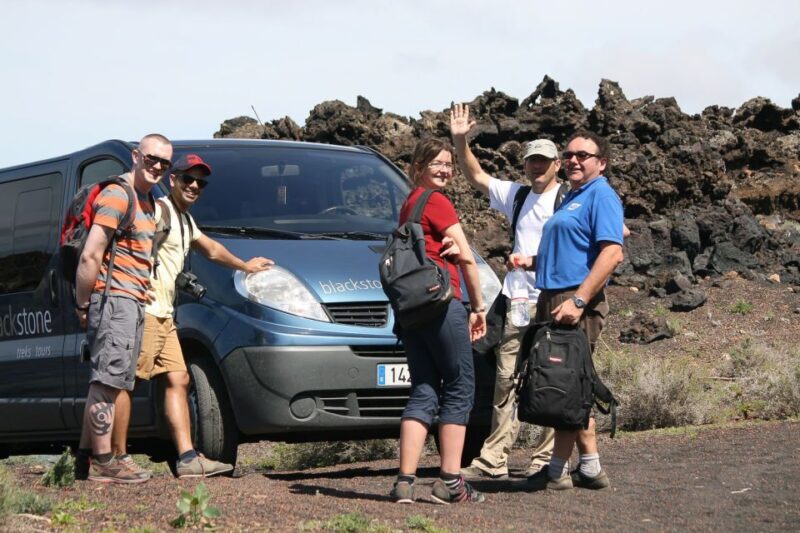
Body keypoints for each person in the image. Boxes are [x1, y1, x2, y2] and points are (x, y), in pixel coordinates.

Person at [110, 153, 274, 478]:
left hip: (164, 314)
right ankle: (112, 458)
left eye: (201, 182)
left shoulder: (184, 220)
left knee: (178, 378)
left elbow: (211, 249)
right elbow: (126, 244)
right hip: (145, 312)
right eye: (188, 178)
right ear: (173, 180)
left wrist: (245, 266)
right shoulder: (159, 211)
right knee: (125, 383)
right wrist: (129, 287)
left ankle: (187, 458)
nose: (195, 186)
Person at [449, 103, 557, 479]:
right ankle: (494, 458)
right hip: (517, 301)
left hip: (553, 300)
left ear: (557, 165)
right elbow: (476, 176)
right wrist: (460, 141)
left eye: (544, 161)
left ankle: (545, 459)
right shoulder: (519, 196)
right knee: (506, 379)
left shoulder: (569, 200)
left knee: (552, 377)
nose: (537, 166)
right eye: (532, 161)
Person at [518, 130, 625, 491]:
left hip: (574, 299)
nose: (573, 160)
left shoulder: (601, 195)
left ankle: (558, 471)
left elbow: (613, 253)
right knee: (565, 383)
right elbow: (573, 248)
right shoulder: (573, 196)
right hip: (554, 296)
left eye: (583, 155)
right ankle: (587, 469)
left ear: (601, 162)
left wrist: (579, 301)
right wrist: (531, 262)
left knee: (565, 385)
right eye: (569, 155)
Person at [390, 138, 488, 504]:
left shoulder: (409, 205)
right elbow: (468, 258)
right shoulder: (437, 201)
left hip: (412, 311)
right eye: (438, 164)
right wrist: (478, 307)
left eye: (449, 164)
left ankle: (404, 482)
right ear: (418, 167)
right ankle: (450, 481)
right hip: (443, 304)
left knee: (424, 388)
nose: (446, 170)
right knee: (460, 386)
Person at [74, 133, 173, 484]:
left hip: (130, 300)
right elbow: (90, 254)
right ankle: (104, 462)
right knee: (106, 381)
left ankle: (90, 459)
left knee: (112, 381)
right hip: (113, 300)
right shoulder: (119, 195)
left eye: (164, 163)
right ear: (135, 156)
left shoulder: (147, 202)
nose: (157, 166)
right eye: (151, 158)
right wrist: (83, 304)